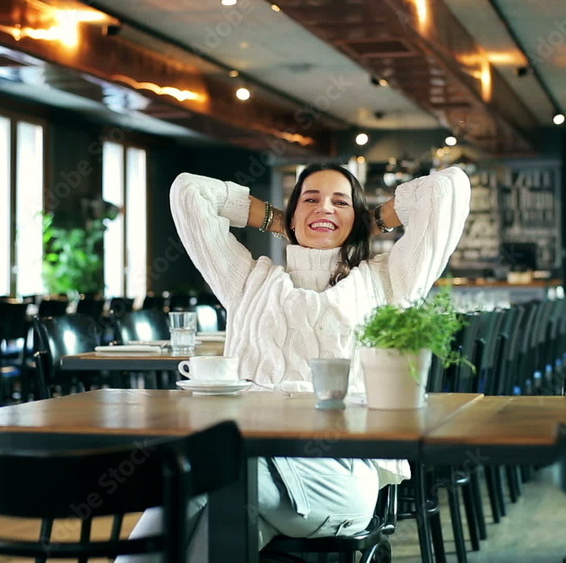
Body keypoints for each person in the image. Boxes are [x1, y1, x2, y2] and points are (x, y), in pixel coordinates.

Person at [123, 163, 470, 562]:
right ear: (291, 214)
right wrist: (275, 220)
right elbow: (188, 191)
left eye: (340, 202)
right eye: (310, 200)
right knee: (221, 516)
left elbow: (448, 188)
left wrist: (374, 220)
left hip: (343, 473)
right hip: (250, 463)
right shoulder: (248, 282)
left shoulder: (388, 282)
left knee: (200, 475)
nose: (324, 208)